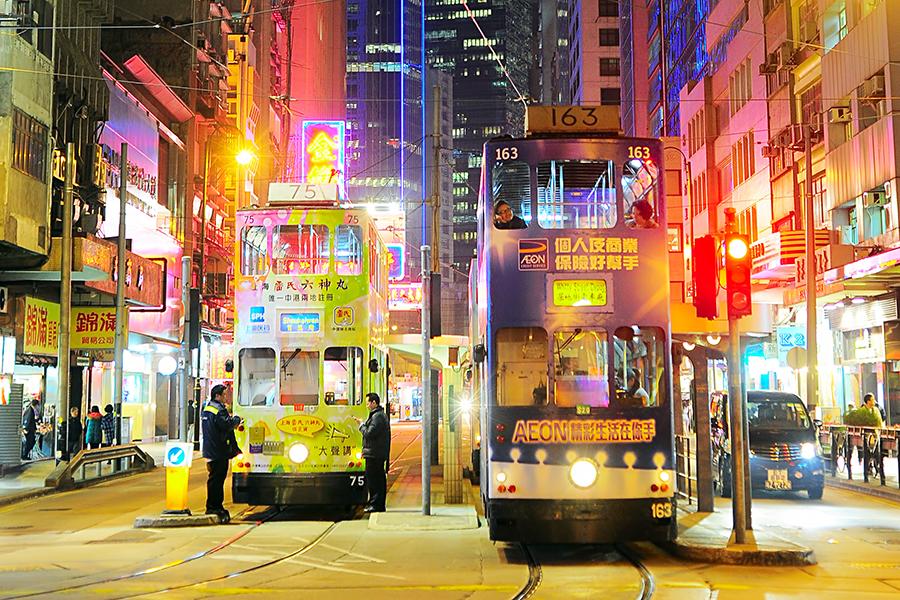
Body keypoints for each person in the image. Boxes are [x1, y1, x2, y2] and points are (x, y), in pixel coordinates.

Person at [201, 384, 242, 522]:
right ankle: (214, 506)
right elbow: (227, 425)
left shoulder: (208, 408)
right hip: (218, 451)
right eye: (224, 394)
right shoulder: (219, 410)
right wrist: (236, 420)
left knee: (214, 480)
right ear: (217, 396)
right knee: (217, 480)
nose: (226, 397)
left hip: (210, 449)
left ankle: (214, 505)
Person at [353, 392, 390, 513]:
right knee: (377, 479)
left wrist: (361, 425)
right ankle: (376, 504)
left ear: (374, 402)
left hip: (375, 454)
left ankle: (376, 504)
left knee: (375, 480)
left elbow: (369, 433)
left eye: (368, 402)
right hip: (376, 453)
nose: (367, 405)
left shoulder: (377, 416)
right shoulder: (377, 415)